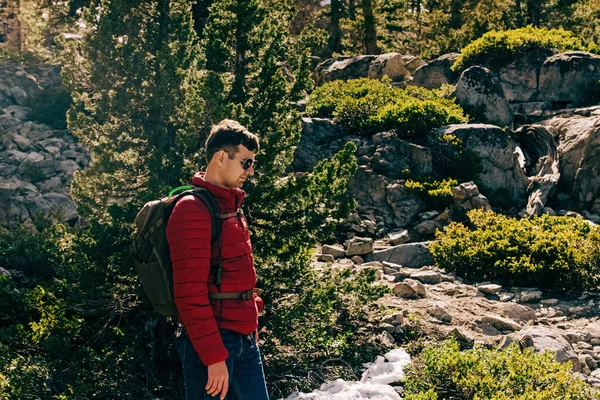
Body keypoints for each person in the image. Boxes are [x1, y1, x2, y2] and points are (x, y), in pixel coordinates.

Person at [166, 119, 268, 400]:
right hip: (212, 342)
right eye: (246, 163)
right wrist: (213, 357)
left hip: (244, 338)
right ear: (222, 157)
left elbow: (235, 275)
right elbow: (189, 292)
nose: (251, 170)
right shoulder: (192, 210)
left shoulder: (231, 204)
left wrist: (252, 317)